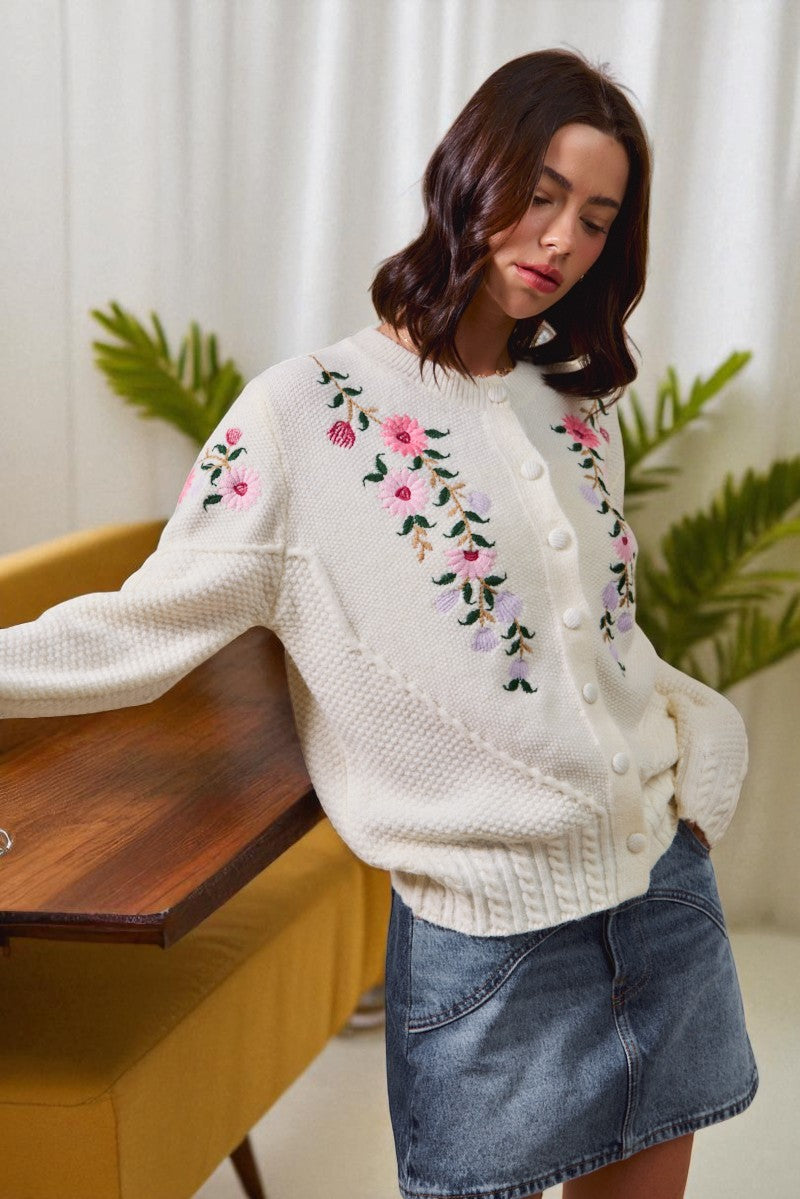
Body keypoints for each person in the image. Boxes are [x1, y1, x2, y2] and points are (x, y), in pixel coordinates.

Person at [0, 48, 758, 1199]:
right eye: (541, 192)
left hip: (658, 905)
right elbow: (138, 625)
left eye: (597, 219)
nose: (561, 240)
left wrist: (698, 780)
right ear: (468, 173)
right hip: (486, 947)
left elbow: (608, 646)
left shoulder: (577, 411)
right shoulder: (305, 414)